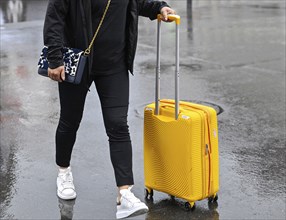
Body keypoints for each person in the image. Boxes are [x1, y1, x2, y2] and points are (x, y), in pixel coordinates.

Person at [43, 0, 175, 219]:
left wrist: (159, 7)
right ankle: (63, 171)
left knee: (118, 125)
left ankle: (124, 194)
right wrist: (55, 58)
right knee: (69, 121)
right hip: (77, 60)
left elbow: (136, 3)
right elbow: (54, 18)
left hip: (114, 64)